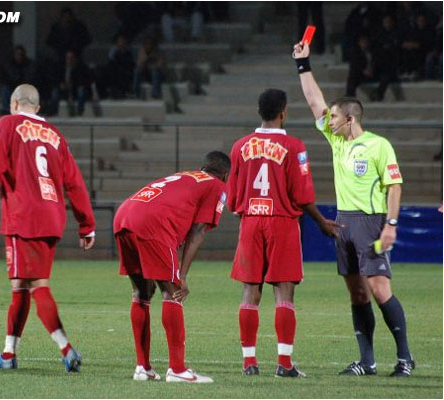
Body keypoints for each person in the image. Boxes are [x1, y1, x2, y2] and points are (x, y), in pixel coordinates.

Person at [293, 41, 415, 377]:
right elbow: (314, 100)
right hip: (343, 222)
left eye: (333, 116)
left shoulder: (378, 145)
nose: (327, 120)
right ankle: (368, 361)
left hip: (371, 223)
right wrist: (303, 64)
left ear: (349, 119)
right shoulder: (336, 141)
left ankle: (405, 357)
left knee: (379, 288)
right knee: (357, 291)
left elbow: (395, 186)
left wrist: (391, 224)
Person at [0, 84, 96, 374]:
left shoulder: (7, 123)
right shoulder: (56, 135)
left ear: (14, 103)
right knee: (22, 285)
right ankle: (8, 353)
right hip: (51, 216)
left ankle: (66, 348)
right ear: (37, 108)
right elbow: (74, 182)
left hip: (23, 214)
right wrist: (86, 224)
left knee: (36, 285)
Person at [226, 88, 339, 378]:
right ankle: (284, 363)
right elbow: (302, 195)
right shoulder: (295, 147)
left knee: (250, 292)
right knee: (284, 293)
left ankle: (249, 363)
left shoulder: (239, 146)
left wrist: (249, 211)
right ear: (283, 112)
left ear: (259, 112)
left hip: (251, 220)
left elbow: (233, 195)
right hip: (282, 222)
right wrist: (322, 221)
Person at [113, 151, 230, 383]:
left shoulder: (184, 175)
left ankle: (142, 368)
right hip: (152, 222)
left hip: (124, 215)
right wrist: (182, 275)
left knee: (141, 294)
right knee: (172, 292)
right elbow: (197, 233)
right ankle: (177, 369)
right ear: (226, 174)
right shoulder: (216, 185)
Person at [0, 45, 36, 115]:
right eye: (17, 54)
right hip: (12, 87)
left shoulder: (29, 64)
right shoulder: (8, 64)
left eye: (21, 54)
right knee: (4, 89)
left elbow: (30, 78)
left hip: (24, 88)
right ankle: (6, 109)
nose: (19, 56)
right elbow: (7, 78)